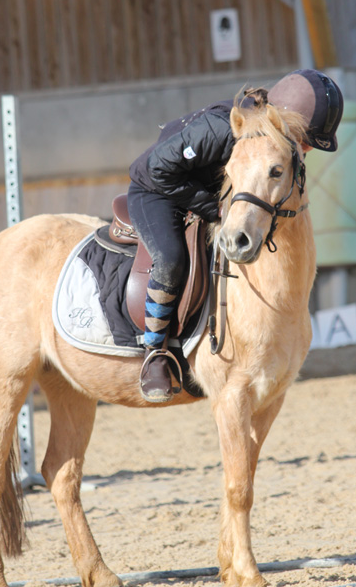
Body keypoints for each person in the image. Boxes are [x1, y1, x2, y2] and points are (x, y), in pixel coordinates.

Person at [127, 68, 344, 403]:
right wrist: (218, 210)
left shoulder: (268, 146)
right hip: (156, 187)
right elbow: (154, 169)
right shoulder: (220, 131)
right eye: (303, 141)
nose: (305, 150)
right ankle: (154, 353)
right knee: (171, 258)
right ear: (281, 122)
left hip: (212, 194)